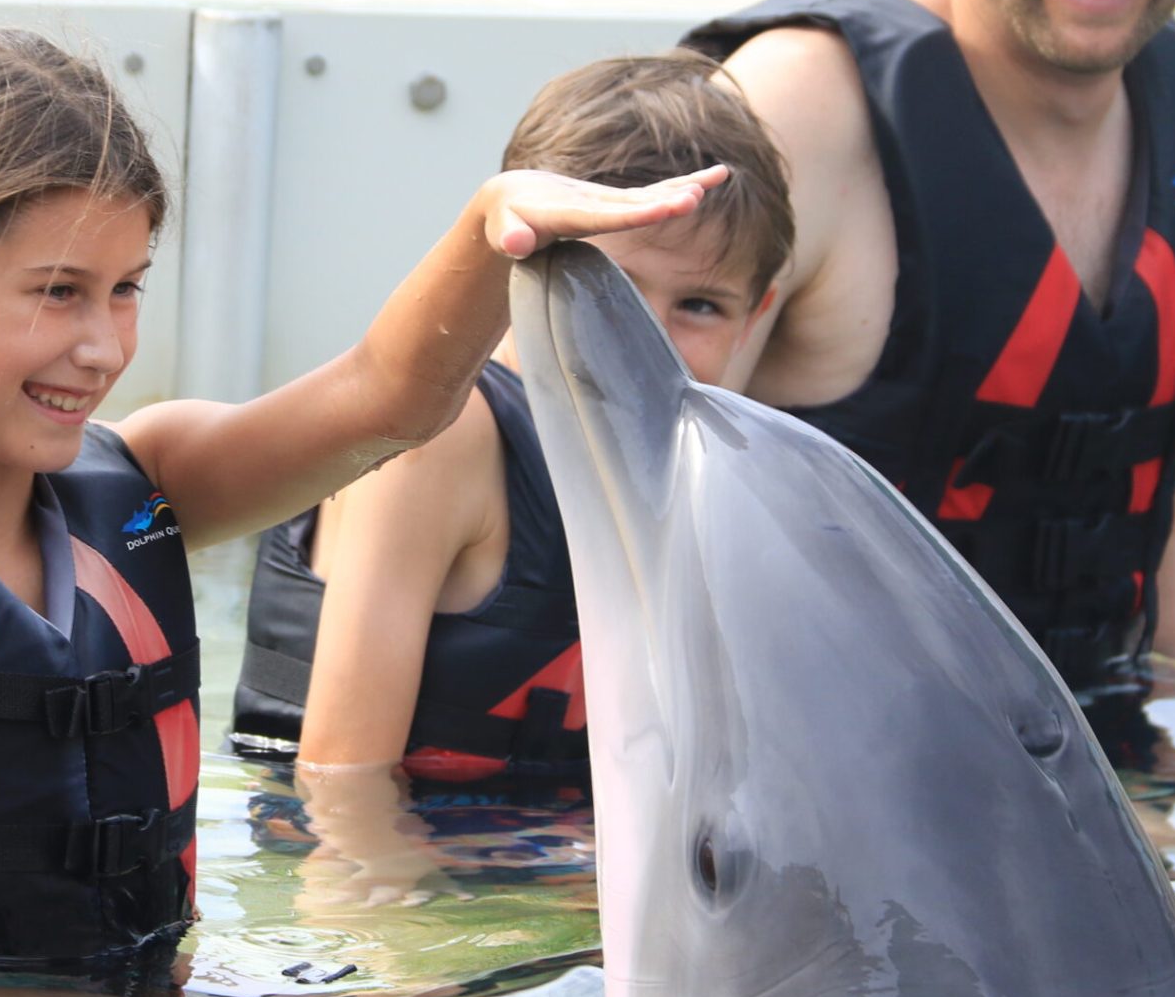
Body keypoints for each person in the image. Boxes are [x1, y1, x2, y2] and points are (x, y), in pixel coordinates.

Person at [0, 28, 724, 976]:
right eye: (57, 291)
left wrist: (494, 229)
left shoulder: (149, 481)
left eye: (125, 287)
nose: (102, 347)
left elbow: (386, 401)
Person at [682, 0, 1175, 747]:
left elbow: (1167, 522)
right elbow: (614, 519)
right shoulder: (803, 109)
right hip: (821, 781)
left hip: (1083, 760)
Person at [231, 54, 792, 789]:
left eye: (700, 306)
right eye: (608, 290)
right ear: (518, 266)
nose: (646, 338)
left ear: (757, 318)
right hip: (372, 856)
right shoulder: (443, 442)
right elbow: (342, 790)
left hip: (539, 859)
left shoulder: (707, 480)